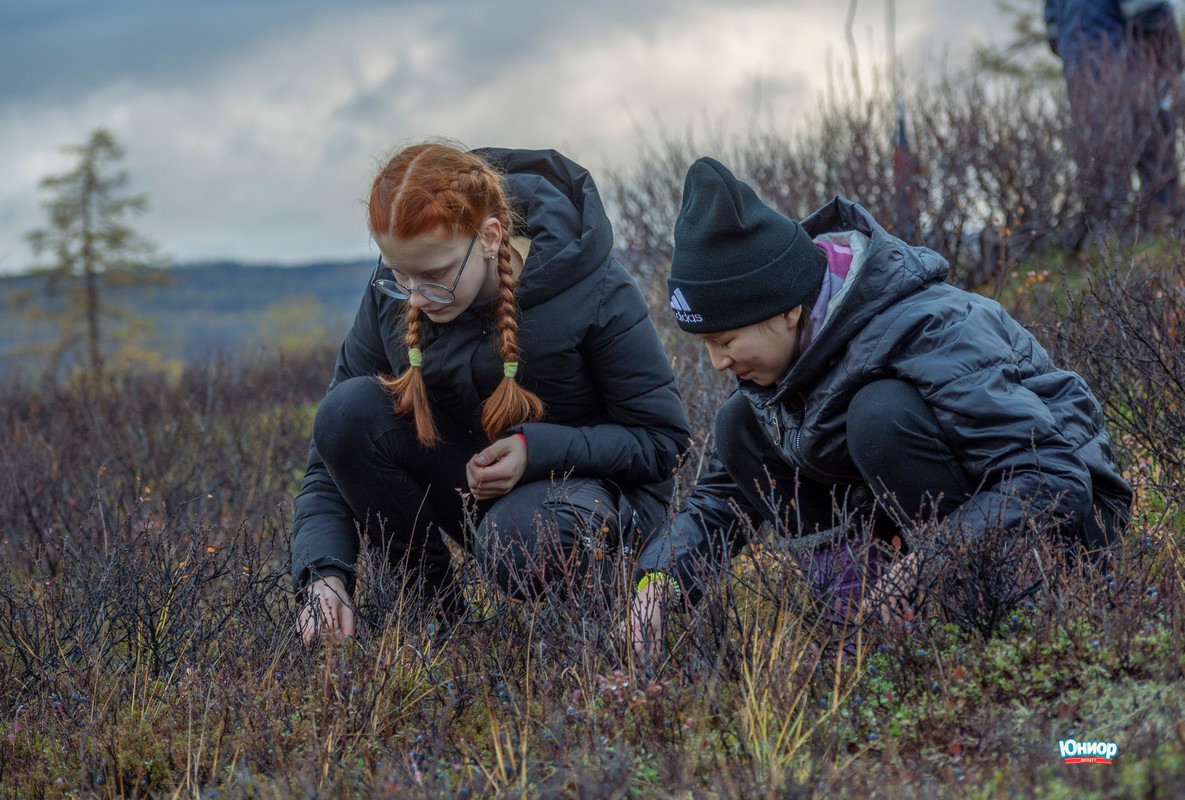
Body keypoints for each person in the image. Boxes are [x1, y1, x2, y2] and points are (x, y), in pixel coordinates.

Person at [628, 157, 1133, 657]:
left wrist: (928, 564)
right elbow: (719, 502)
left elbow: (1050, 477)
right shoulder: (779, 365)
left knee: (879, 413)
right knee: (736, 424)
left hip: (1068, 538)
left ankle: (983, 619)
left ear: (786, 310)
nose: (716, 363)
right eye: (705, 346)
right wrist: (660, 585)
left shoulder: (933, 329)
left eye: (725, 339)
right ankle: (865, 631)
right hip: (939, 540)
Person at [292, 142, 689, 646]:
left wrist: (533, 451)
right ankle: (436, 619)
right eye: (399, 274)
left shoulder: (594, 289)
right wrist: (324, 576)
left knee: (519, 539)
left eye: (435, 276)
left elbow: (663, 441)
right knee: (345, 413)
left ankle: (605, 627)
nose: (414, 296)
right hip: (480, 495)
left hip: (592, 498)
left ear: (489, 236)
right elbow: (329, 457)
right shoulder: (394, 295)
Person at [1045, 0, 1184, 227]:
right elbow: (1150, 15)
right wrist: (1172, 66)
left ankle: (1113, 237)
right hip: (1131, 75)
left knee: (1105, 175)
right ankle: (1162, 227)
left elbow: (1054, 37)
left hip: (1083, 84)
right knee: (1156, 159)